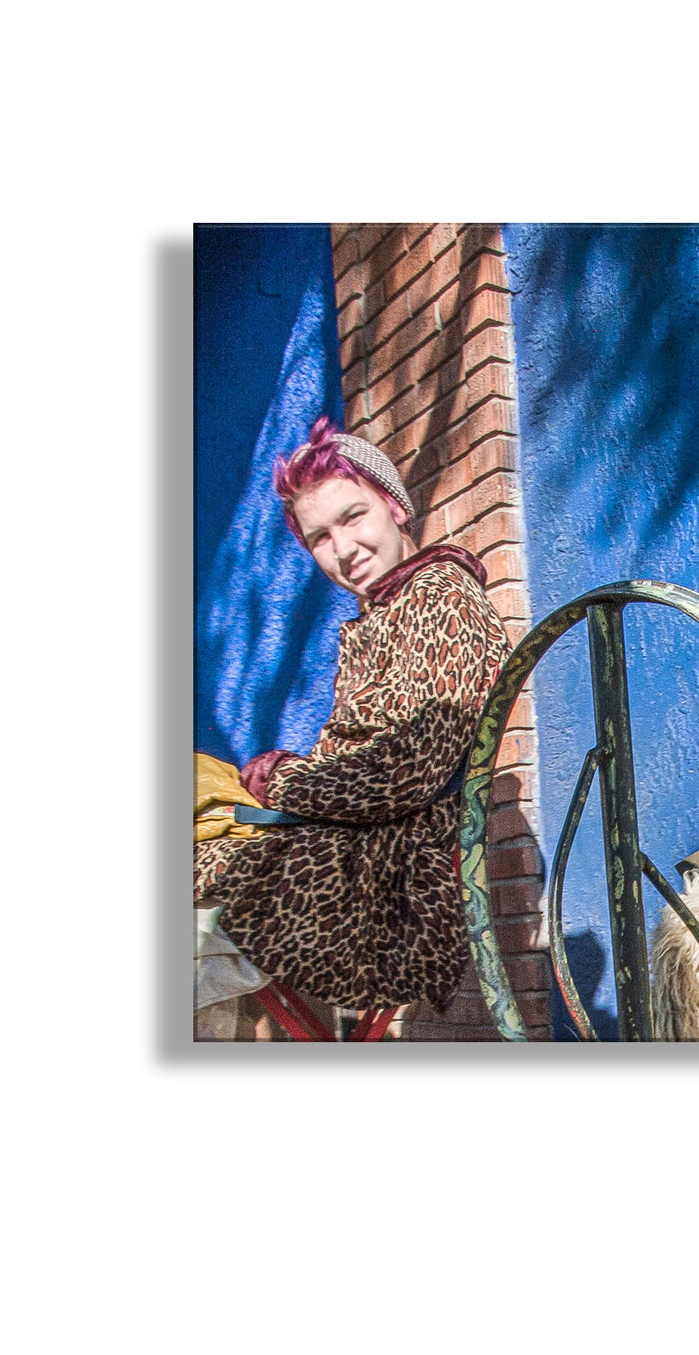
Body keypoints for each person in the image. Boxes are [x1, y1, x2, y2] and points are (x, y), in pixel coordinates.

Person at [194, 418, 511, 1021]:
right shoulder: (386, 610)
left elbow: (406, 768)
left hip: (375, 886)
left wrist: (279, 776)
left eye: (353, 517)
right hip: (335, 861)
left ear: (394, 506)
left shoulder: (440, 596)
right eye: (319, 537)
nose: (342, 549)